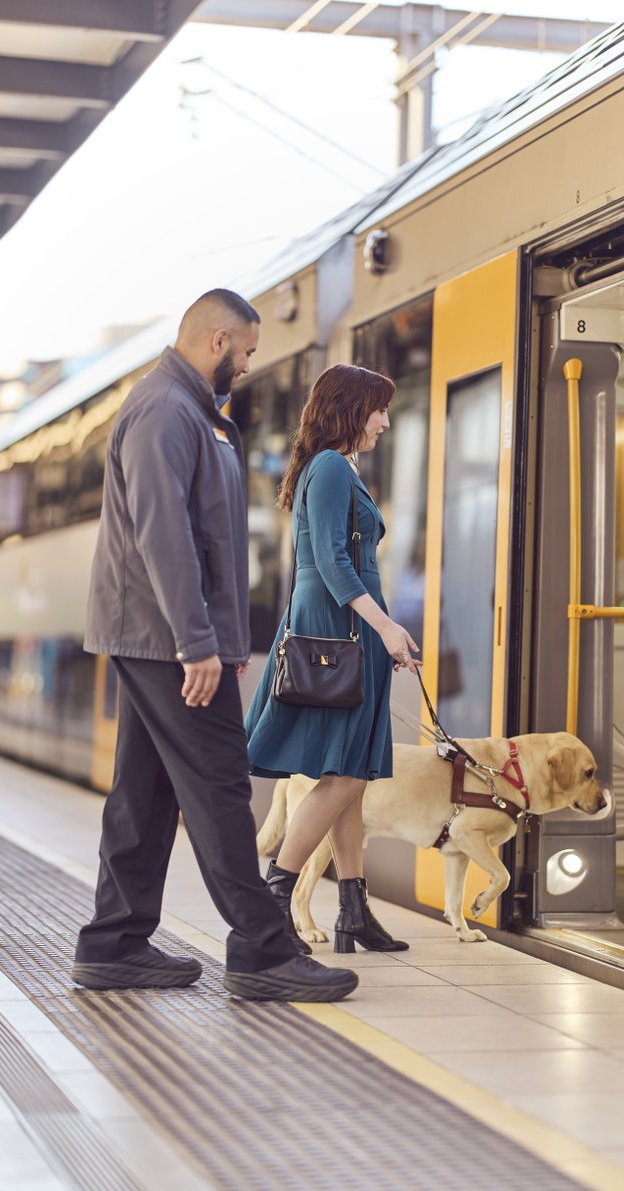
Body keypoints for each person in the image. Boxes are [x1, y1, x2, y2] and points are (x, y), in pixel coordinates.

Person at [73, 289, 358, 1003]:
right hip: (166, 638)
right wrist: (198, 643)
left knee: (145, 790)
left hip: (167, 636)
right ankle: (262, 952)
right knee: (222, 782)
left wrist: (224, 639)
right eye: (248, 351)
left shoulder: (198, 417)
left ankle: (114, 943)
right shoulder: (165, 412)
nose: (249, 365)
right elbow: (163, 536)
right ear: (217, 341)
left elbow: (212, 541)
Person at [244, 363, 418, 955]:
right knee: (343, 771)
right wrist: (388, 628)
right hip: (335, 632)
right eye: (378, 409)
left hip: (348, 629)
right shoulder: (328, 469)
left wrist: (382, 632)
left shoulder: (338, 468)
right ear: (350, 408)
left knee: (354, 773)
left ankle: (352, 910)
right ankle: (274, 903)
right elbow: (334, 565)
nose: (385, 423)